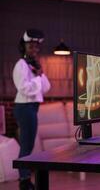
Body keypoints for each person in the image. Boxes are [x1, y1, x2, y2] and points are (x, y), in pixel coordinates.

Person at [13, 29, 51, 190]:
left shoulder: (33, 66)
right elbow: (24, 89)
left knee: (29, 145)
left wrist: (40, 73)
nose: (34, 50)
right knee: (26, 145)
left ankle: (25, 179)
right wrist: (37, 79)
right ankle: (24, 181)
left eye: (36, 47)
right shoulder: (20, 65)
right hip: (24, 107)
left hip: (32, 108)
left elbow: (47, 87)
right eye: (31, 47)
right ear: (24, 47)